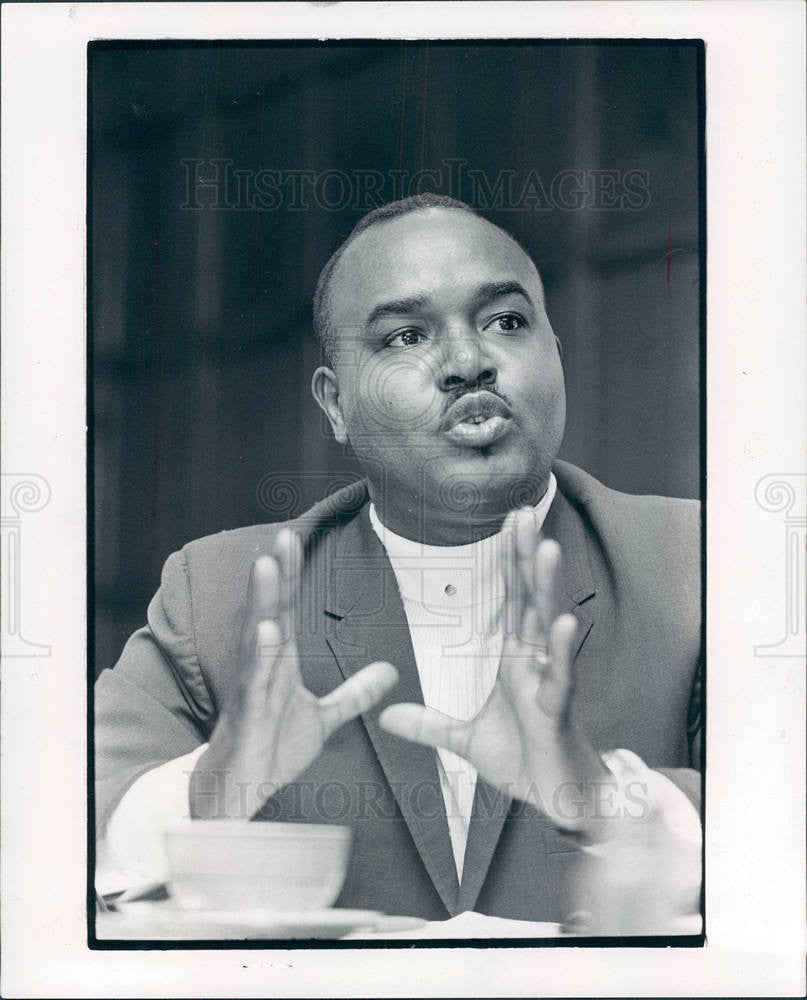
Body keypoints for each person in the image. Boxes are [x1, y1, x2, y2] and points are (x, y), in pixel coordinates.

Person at [95, 194, 702, 931]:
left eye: (506, 322)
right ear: (336, 405)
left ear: (555, 351)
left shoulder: (697, 565)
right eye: (405, 337)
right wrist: (214, 787)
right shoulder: (223, 592)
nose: (468, 362)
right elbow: (57, 824)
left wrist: (599, 794)